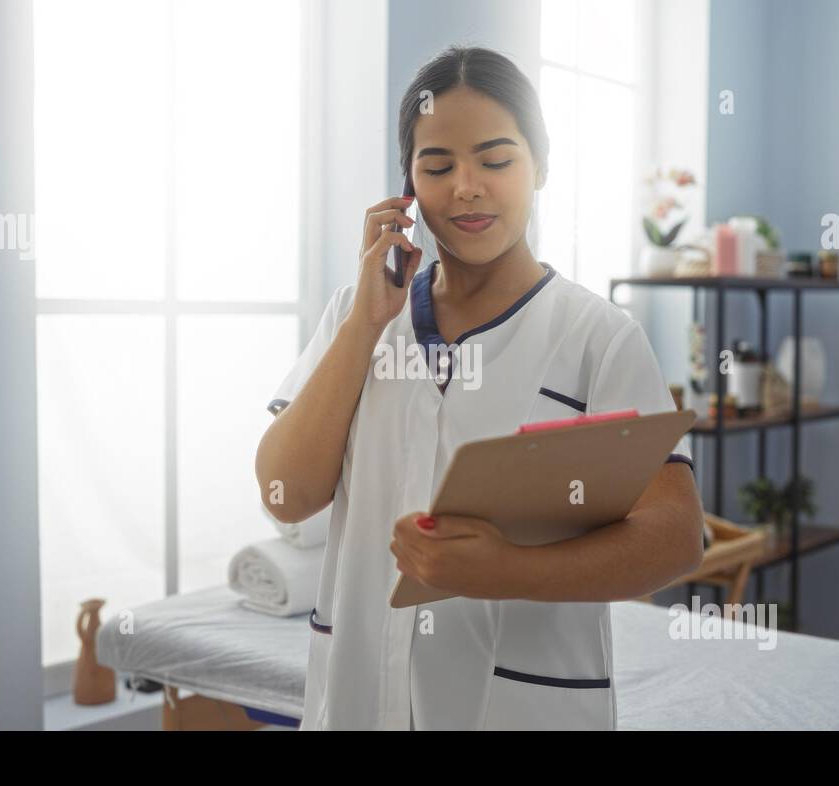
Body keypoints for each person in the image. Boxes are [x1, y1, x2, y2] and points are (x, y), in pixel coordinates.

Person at [255, 46, 703, 730]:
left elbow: (676, 538)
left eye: (496, 160)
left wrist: (506, 569)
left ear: (540, 167)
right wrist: (363, 326)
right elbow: (287, 493)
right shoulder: (359, 315)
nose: (466, 186)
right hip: (355, 704)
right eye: (436, 166)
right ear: (406, 185)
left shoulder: (597, 337)